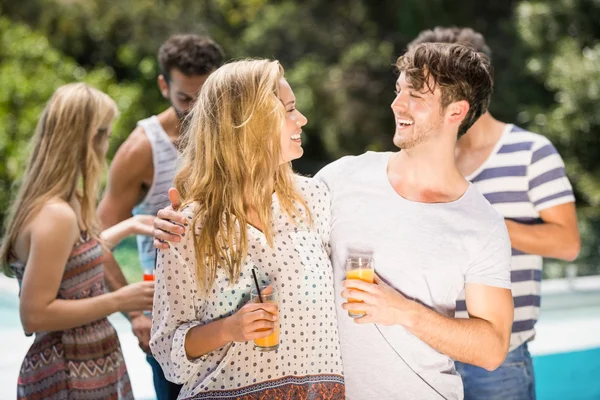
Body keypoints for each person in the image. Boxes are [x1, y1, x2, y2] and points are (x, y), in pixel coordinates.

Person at [153, 43, 514, 400]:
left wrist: (402, 311)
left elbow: (492, 348)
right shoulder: (336, 183)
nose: (396, 104)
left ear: (456, 112)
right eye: (398, 90)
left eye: (415, 95)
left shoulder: (480, 222)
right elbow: (239, 195)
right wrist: (181, 220)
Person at [149, 59, 345, 399]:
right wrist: (229, 328)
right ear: (249, 124)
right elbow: (169, 355)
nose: (302, 120)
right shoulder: (189, 226)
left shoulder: (314, 199)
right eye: (289, 111)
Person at [408, 27, 580, 400]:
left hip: (498, 363)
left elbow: (567, 244)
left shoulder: (532, 153)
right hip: (426, 353)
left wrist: (480, 223)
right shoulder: (420, 162)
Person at [0, 83, 155, 399]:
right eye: (107, 135)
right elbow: (34, 315)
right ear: (89, 140)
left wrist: (129, 226)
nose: (108, 145)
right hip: (70, 373)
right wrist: (121, 300)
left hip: (91, 362)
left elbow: (72, 262)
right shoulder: (56, 214)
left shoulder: (65, 202)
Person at [97, 34, 225, 400]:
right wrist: (135, 315)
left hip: (231, 319)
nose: (198, 108)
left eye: (206, 96)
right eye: (186, 98)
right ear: (163, 86)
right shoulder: (141, 148)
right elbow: (97, 239)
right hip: (172, 325)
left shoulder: (232, 136)